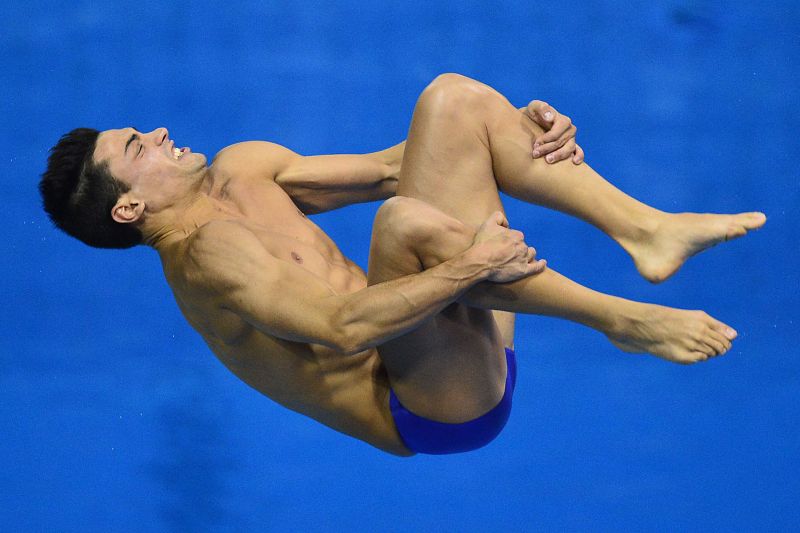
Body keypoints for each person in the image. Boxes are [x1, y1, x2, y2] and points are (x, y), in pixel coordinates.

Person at [39, 73, 766, 456]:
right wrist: (470, 265)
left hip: (451, 322)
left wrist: (520, 129)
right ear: (129, 209)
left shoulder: (243, 168)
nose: (160, 132)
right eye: (138, 146)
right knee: (404, 224)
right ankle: (623, 318)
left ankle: (646, 229)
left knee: (454, 101)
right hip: (431, 403)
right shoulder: (205, 262)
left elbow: (396, 166)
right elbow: (344, 324)